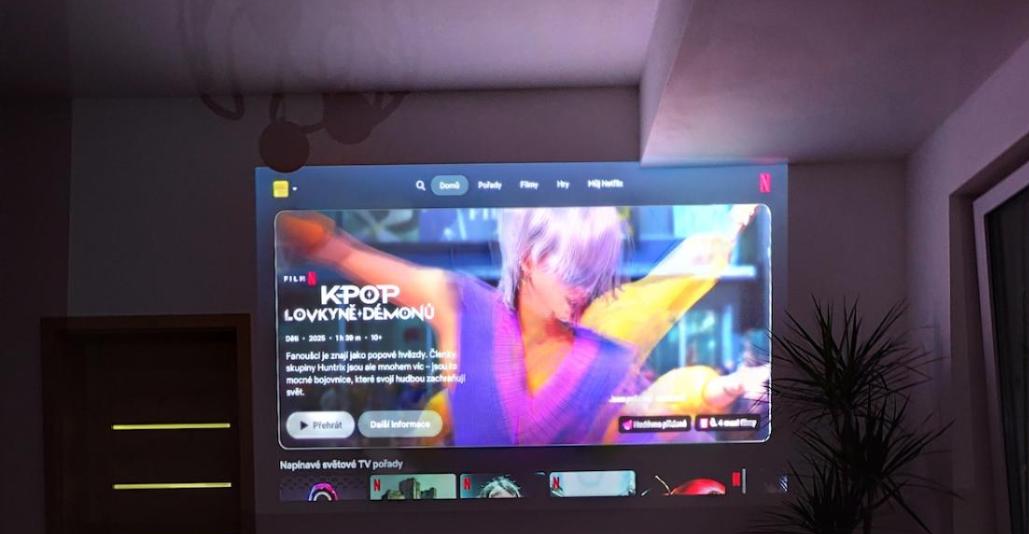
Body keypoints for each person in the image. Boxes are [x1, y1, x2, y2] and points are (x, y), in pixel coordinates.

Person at [278, 204, 767, 446]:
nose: (582, 289)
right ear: (530, 258)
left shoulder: (604, 357)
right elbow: (350, 256)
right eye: (572, 273)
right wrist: (316, 241)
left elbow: (644, 419)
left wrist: (716, 392)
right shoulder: (467, 307)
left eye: (591, 276)